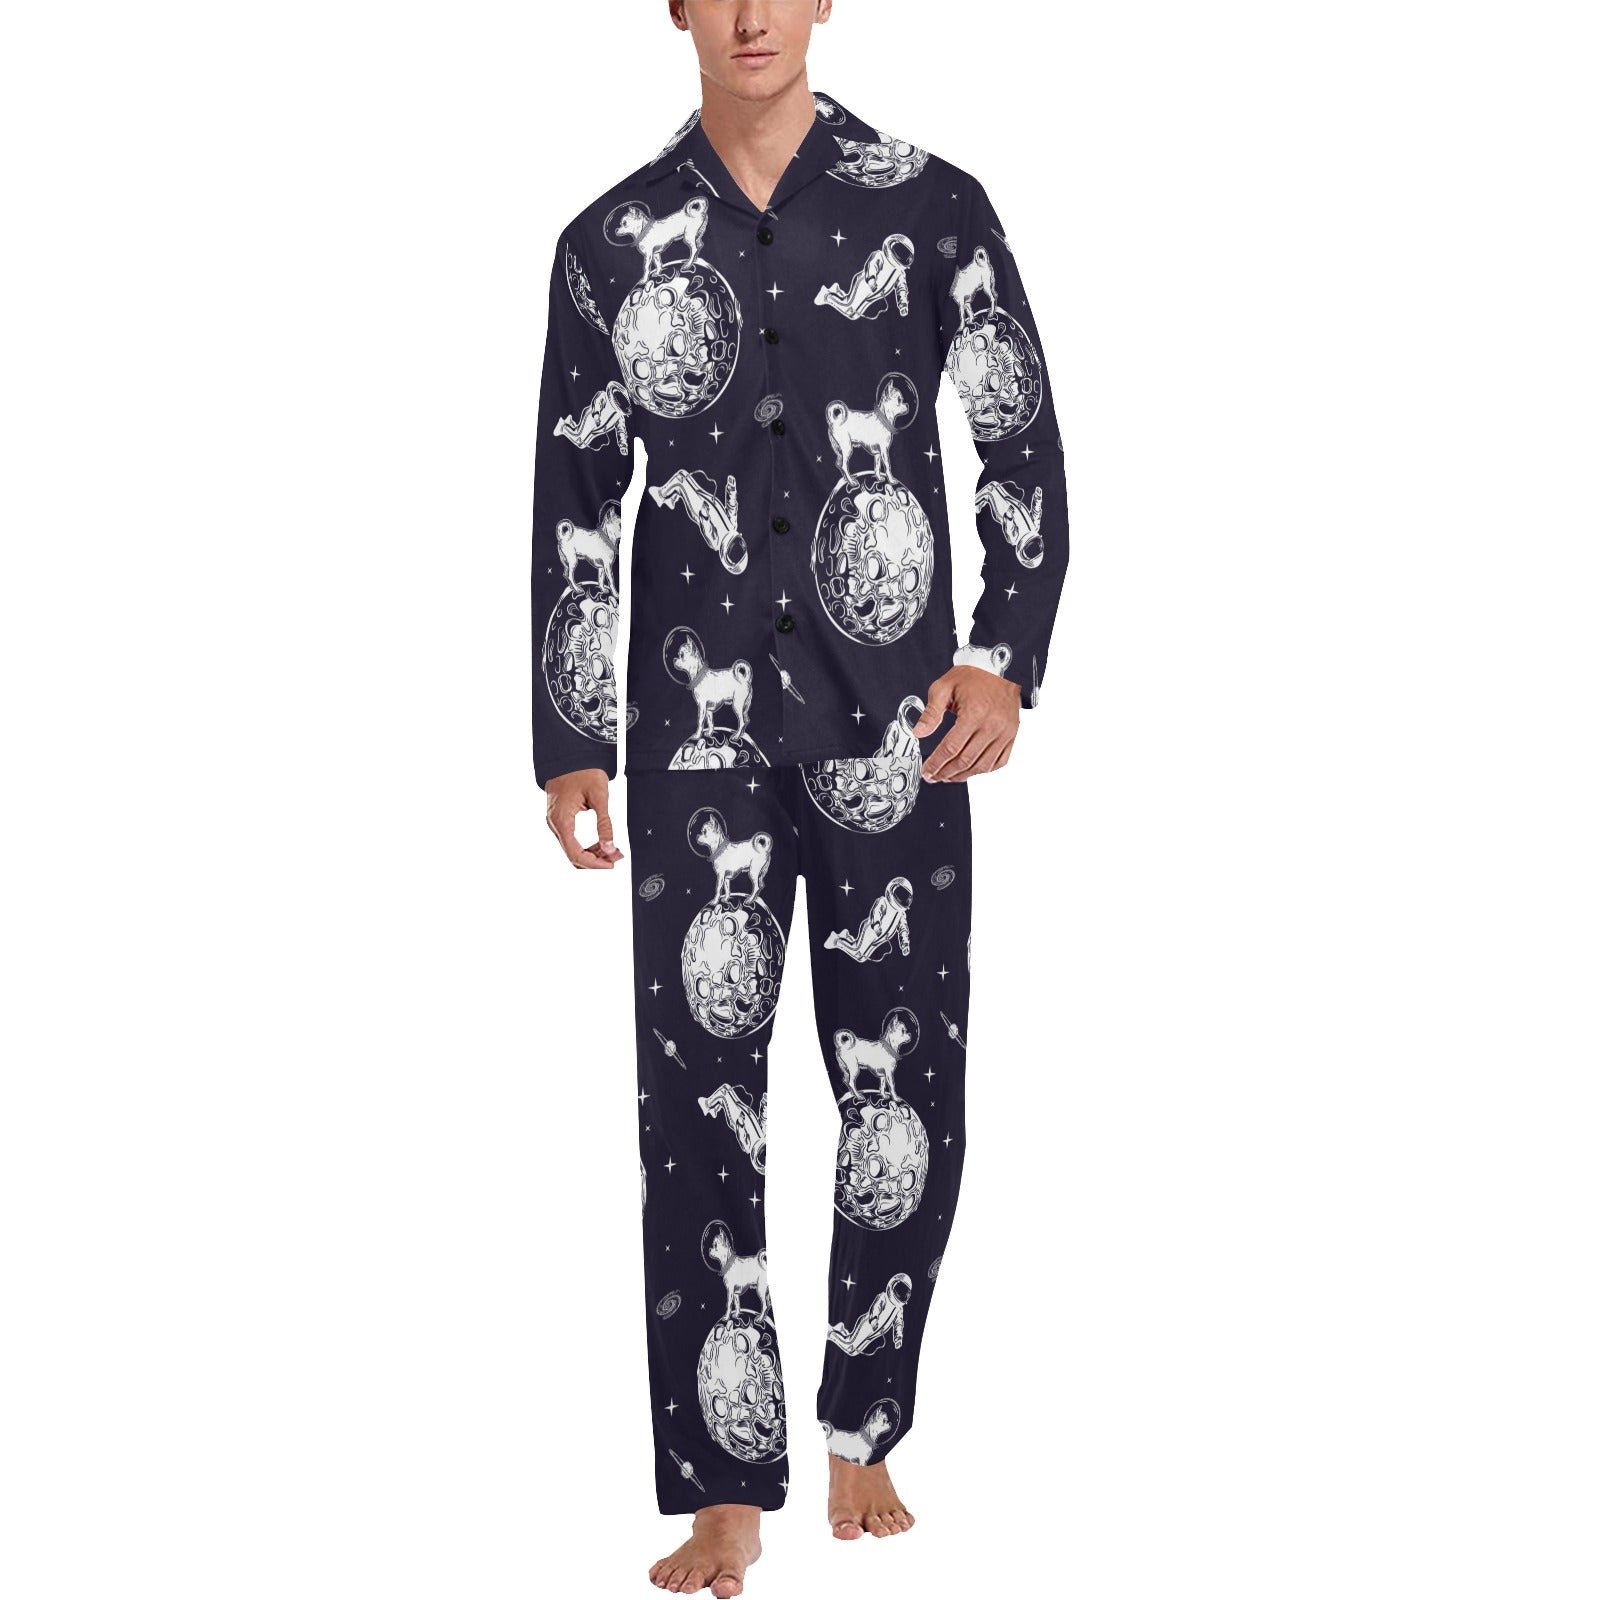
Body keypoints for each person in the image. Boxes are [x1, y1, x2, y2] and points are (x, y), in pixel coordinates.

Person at [529, 3, 1069, 1593]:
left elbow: (1018, 435)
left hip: (895, 732)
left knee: (901, 1087)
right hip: (693, 745)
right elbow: (575, 497)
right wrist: (573, 734)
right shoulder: (608, 244)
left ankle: (862, 1420)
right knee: (698, 1106)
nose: (753, 15)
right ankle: (723, 1486)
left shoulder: (933, 207)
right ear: (674, 7)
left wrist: (1004, 657)